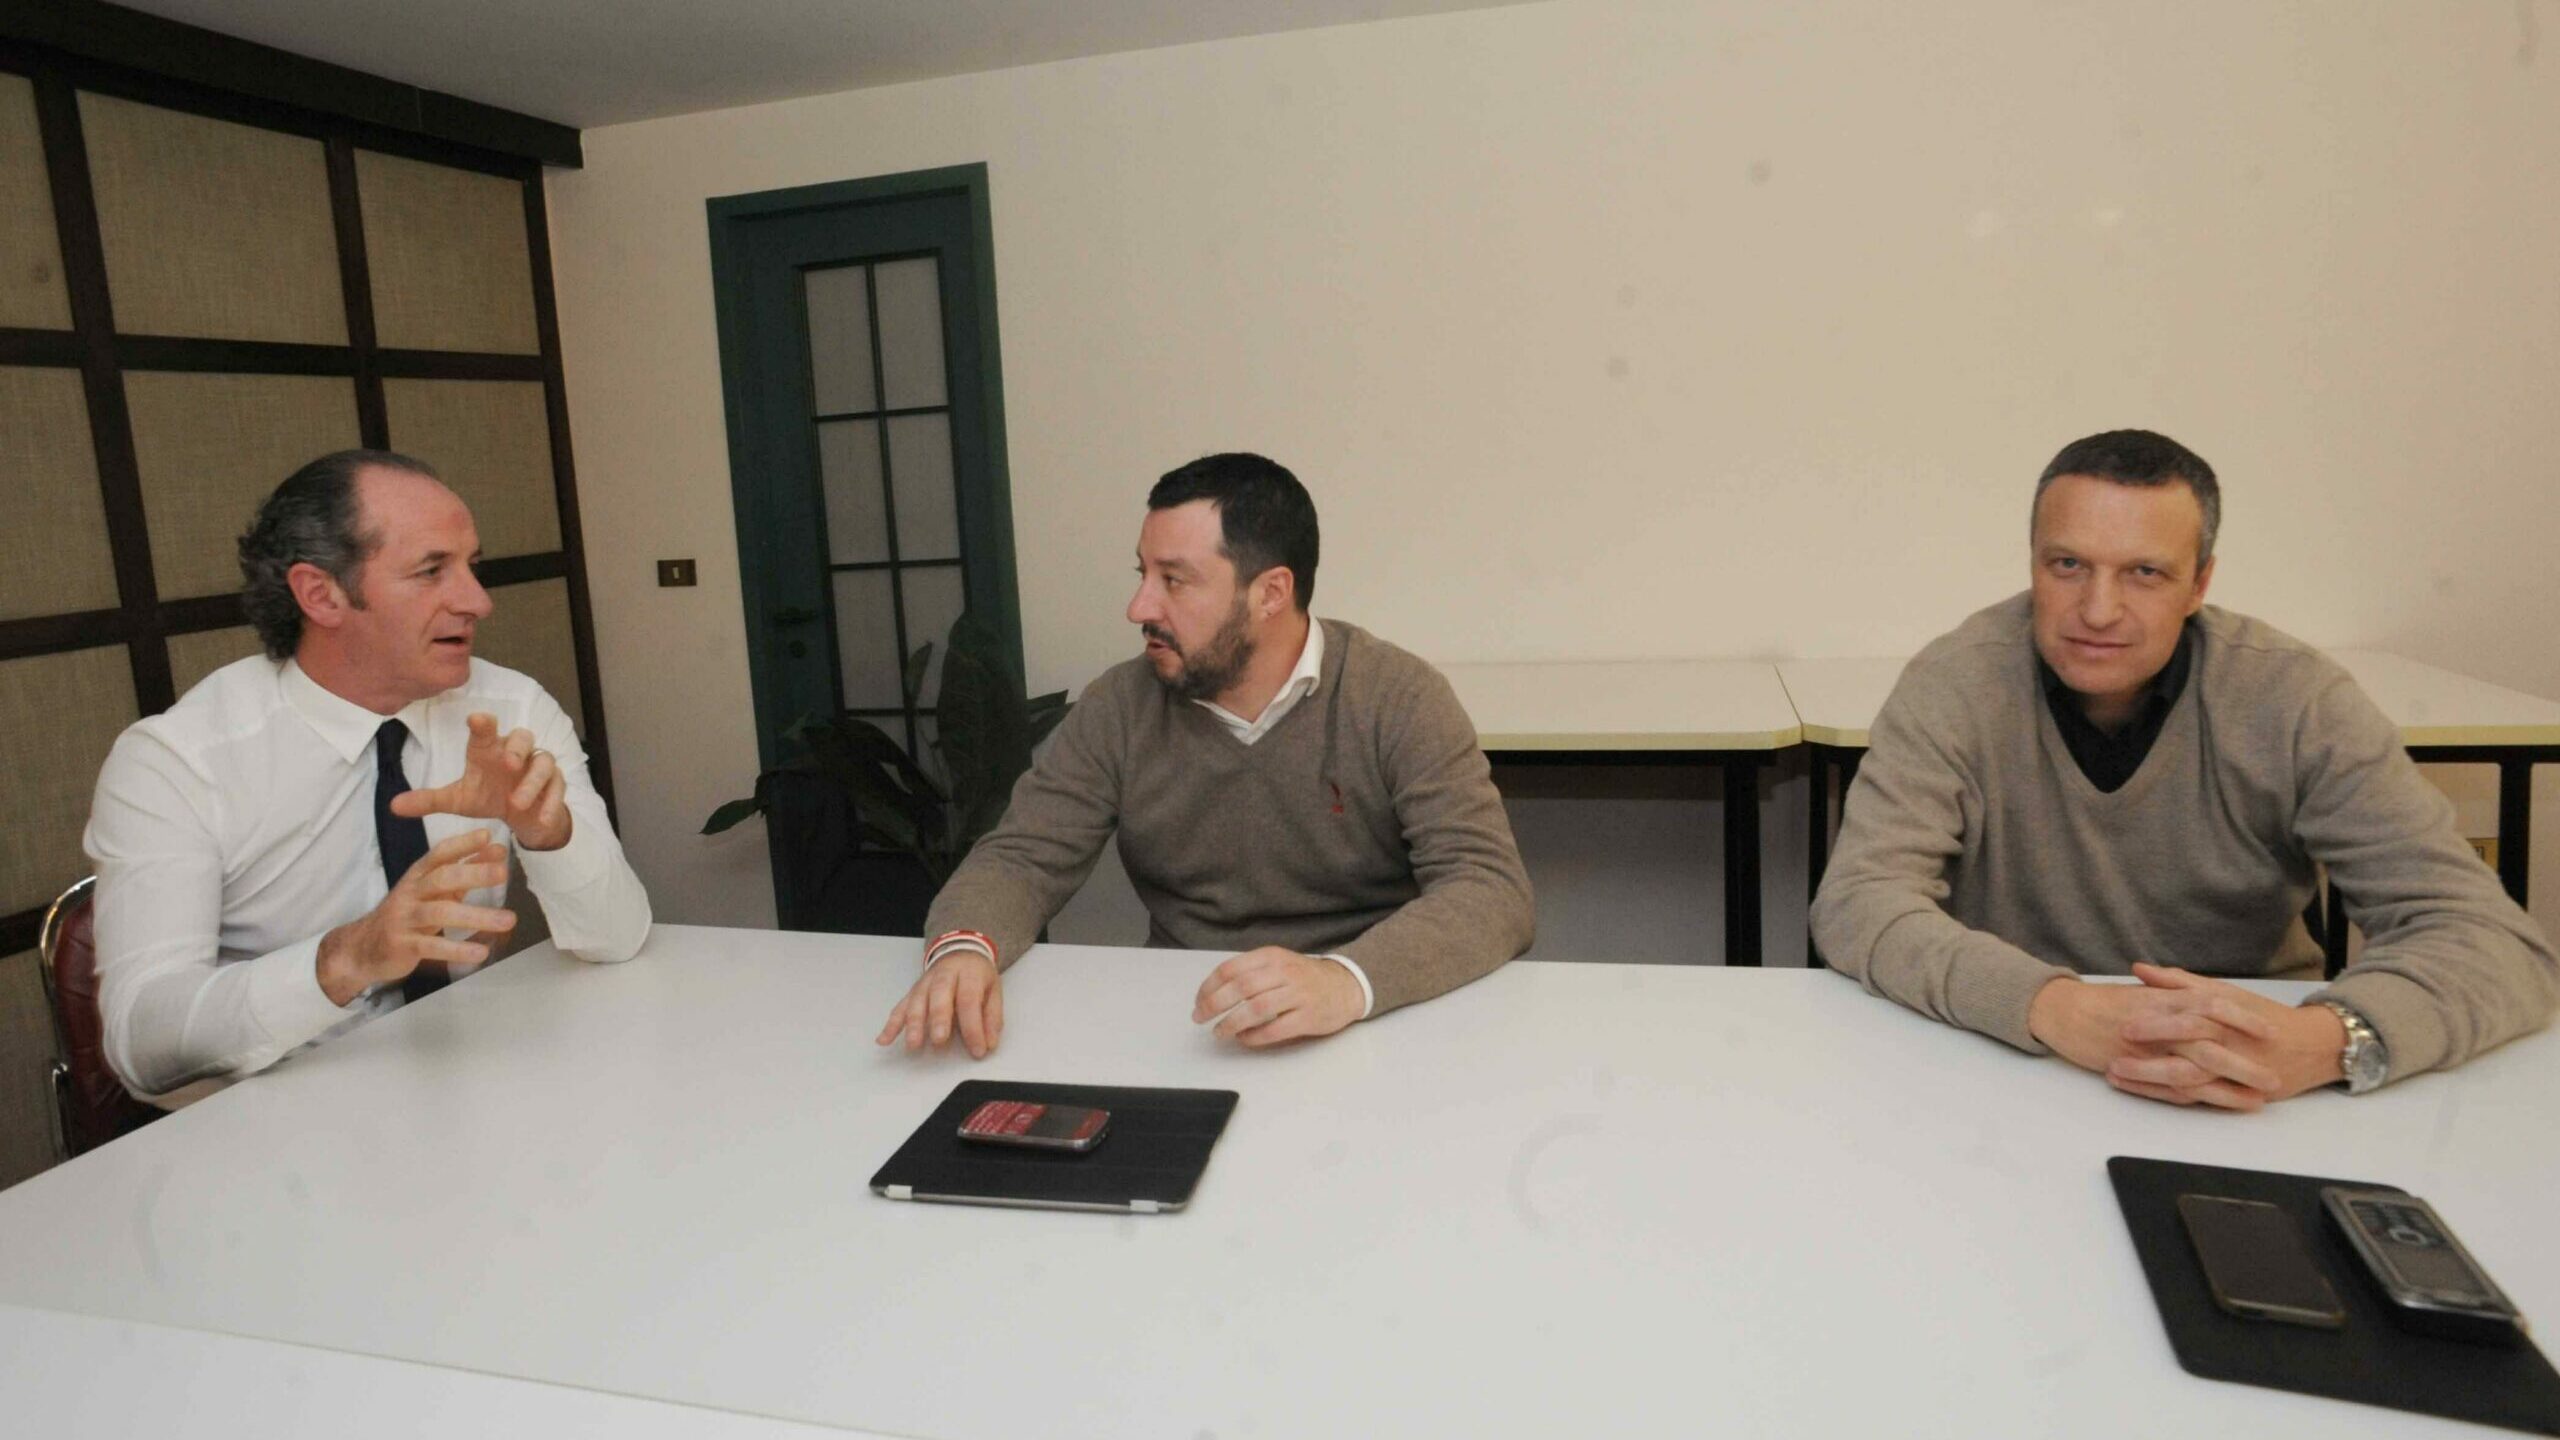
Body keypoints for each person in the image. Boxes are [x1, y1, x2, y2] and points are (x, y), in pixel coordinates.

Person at [1810, 429, 2556, 1109]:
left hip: (2257, 1082)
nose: (2098, 610)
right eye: (2068, 565)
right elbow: (1860, 900)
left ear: (2199, 584)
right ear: (2033, 563)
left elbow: (2494, 942)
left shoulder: (2296, 699)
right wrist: (2053, 1006)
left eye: (2144, 572)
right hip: (2009, 1063)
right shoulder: (1956, 682)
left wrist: (2322, 1041)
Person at [875, 452, 1533, 1057]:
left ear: (1270, 593)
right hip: (1189, 1020)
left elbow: (1489, 888)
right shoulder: (1120, 705)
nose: (1139, 606)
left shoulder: (1396, 695)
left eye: (1175, 580)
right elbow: (1022, 856)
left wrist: (1344, 980)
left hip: (1371, 1016)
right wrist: (964, 947)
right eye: (1143, 574)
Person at [85, 449, 651, 1101]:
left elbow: (618, 939)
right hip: (282, 1112)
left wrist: (551, 835)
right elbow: (142, 1045)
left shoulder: (510, 711)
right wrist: (346, 957)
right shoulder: (179, 761)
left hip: (479, 1081)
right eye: (432, 571)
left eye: (472, 567)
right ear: (321, 594)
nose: (478, 601)